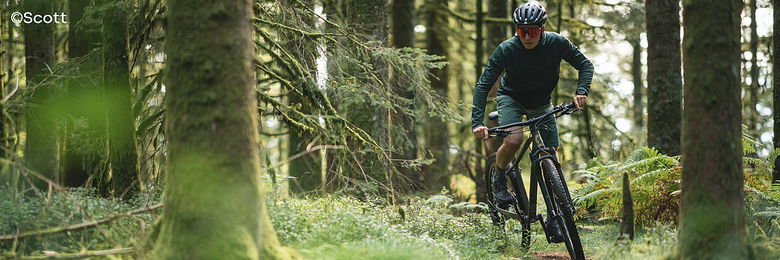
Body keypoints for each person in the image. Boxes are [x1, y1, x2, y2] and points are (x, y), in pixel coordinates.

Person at [471, 2, 593, 208]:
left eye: (532, 31)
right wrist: (477, 123)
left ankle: (557, 212)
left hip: (541, 102)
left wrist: (581, 92)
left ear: (542, 30)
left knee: (550, 152)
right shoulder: (506, 49)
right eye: (521, 31)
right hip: (511, 98)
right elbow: (483, 85)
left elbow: (585, 64)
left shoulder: (557, 43)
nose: (527, 37)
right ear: (516, 31)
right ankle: (499, 178)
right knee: (513, 140)